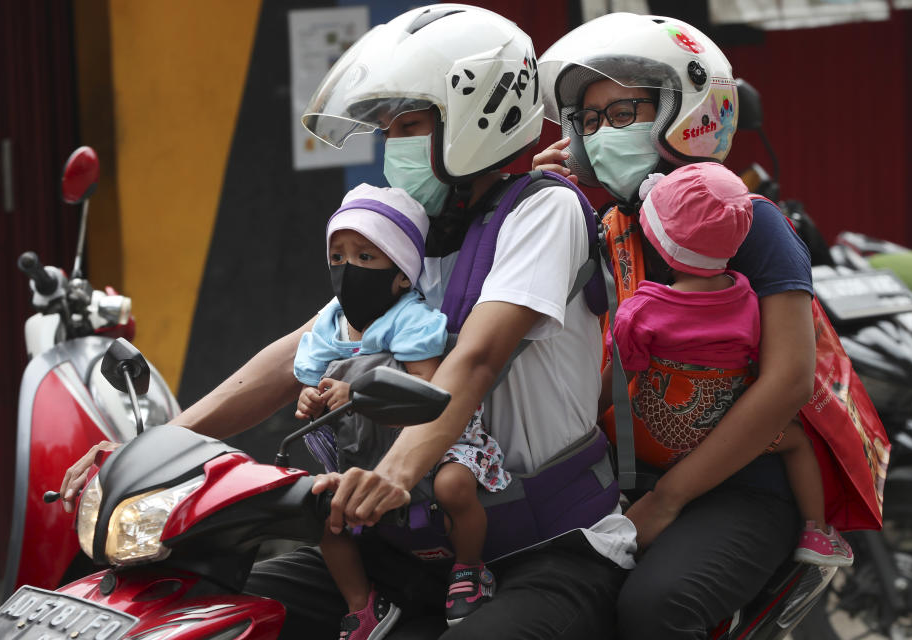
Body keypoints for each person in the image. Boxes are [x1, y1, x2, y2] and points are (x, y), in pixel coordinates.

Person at [60, 5, 633, 639]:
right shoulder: (411, 234)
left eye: (410, 125)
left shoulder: (543, 212)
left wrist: (394, 473)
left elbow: (476, 359)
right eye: (387, 130)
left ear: (480, 117)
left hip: (542, 551)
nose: (395, 146)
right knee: (206, 608)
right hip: (407, 545)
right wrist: (156, 449)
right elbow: (302, 348)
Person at [534, 12, 816, 638]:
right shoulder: (601, 222)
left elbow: (790, 381)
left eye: (623, 112)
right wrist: (533, 199)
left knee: (652, 610)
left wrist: (669, 499)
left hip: (739, 486)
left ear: (682, 114)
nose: (602, 132)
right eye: (589, 120)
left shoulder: (750, 221)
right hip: (617, 479)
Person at [293, 183, 511, 639]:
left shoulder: (410, 319)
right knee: (315, 507)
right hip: (362, 453)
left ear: (401, 274)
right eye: (339, 257)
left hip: (431, 445)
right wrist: (312, 401)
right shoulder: (328, 325)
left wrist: (355, 394)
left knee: (453, 486)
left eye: (366, 258)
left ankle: (470, 569)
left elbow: (428, 395)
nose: (349, 269)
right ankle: (363, 604)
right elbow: (311, 391)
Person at [608, 162, 853, 567]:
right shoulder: (749, 298)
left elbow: (620, 375)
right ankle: (818, 532)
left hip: (658, 432)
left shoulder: (642, 309)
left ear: (657, 241)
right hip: (722, 429)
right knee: (798, 442)